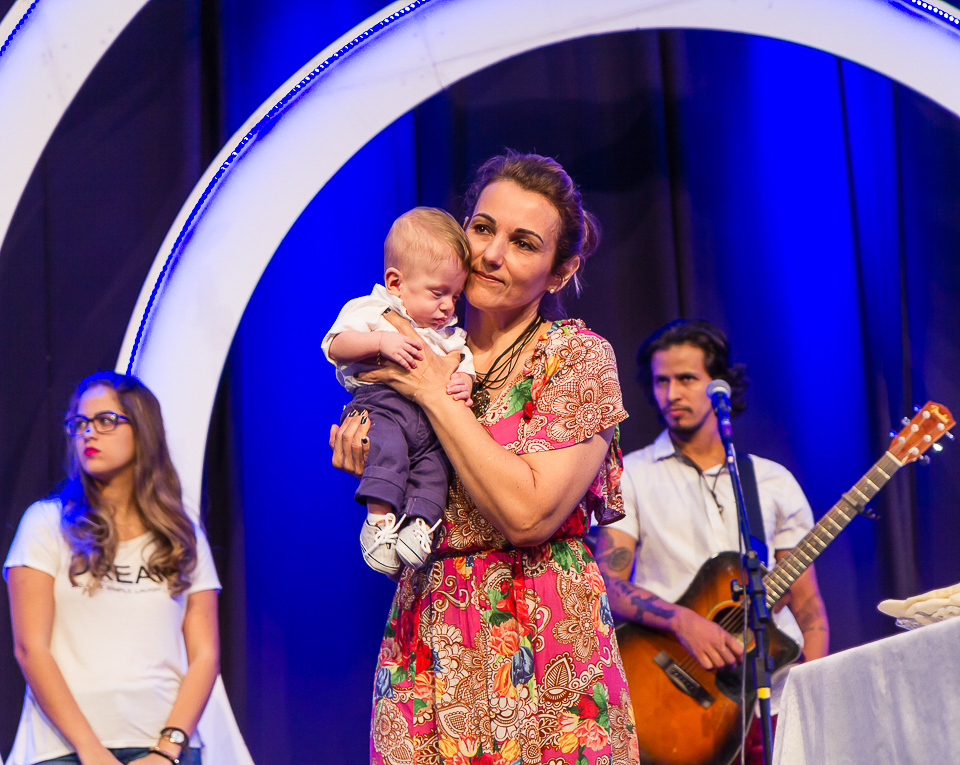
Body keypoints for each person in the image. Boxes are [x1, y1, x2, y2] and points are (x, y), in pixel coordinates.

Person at [331, 152, 640, 764]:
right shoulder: (408, 343)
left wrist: (427, 390)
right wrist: (371, 465)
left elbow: (528, 515)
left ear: (559, 272)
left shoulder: (575, 357)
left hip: (543, 632)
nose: (492, 254)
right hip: (432, 631)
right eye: (482, 228)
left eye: (524, 242)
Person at [595, 319, 829, 764]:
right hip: (675, 696)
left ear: (719, 385)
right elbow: (608, 583)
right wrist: (684, 622)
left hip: (776, 702)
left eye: (686, 378)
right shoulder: (631, 475)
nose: (671, 393)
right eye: (661, 380)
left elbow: (809, 609)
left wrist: (813, 698)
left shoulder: (770, 481)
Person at [4, 372, 221, 765]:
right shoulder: (45, 524)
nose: (88, 433)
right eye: (79, 423)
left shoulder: (181, 533)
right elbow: (29, 648)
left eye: (105, 421)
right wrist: (91, 751)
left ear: (143, 429)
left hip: (164, 748)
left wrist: (167, 749)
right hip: (63, 750)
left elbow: (205, 654)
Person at [323, 207, 476, 574]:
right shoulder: (375, 310)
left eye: (455, 296)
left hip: (430, 423)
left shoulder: (448, 333)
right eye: (439, 293)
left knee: (436, 469)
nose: (448, 306)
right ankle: (379, 521)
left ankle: (419, 526)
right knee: (388, 450)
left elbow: (464, 359)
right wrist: (379, 342)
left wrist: (465, 381)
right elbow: (334, 345)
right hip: (383, 407)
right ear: (395, 282)